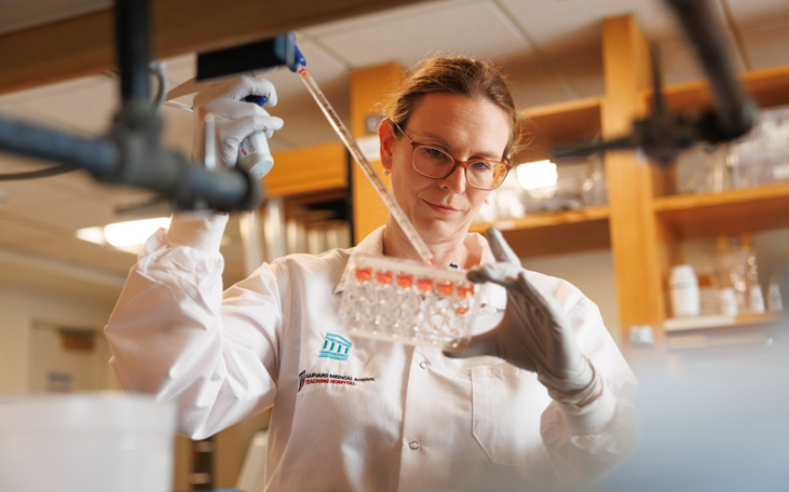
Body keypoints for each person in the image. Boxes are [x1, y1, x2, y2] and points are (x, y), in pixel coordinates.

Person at [104, 57, 637, 491]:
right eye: (435, 152)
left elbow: (627, 467)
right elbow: (174, 394)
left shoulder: (556, 308)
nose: (455, 185)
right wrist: (201, 208)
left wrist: (581, 391)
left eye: (480, 165)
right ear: (388, 145)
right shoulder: (296, 290)